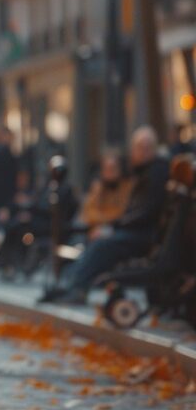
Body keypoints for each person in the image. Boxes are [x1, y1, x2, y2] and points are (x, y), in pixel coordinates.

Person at [42, 127, 169, 304]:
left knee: (102, 245)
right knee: (93, 243)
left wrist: (111, 226)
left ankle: (77, 288)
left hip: (144, 234)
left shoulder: (153, 173)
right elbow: (90, 211)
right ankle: (73, 286)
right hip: (133, 230)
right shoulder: (139, 175)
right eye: (137, 148)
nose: (137, 153)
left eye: (144, 148)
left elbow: (144, 213)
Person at [77, 151, 133, 239]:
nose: (109, 173)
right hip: (96, 233)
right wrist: (103, 220)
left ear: (120, 169)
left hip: (119, 231)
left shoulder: (127, 187)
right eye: (106, 169)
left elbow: (123, 213)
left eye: (112, 168)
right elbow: (87, 213)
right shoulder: (98, 187)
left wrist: (103, 218)